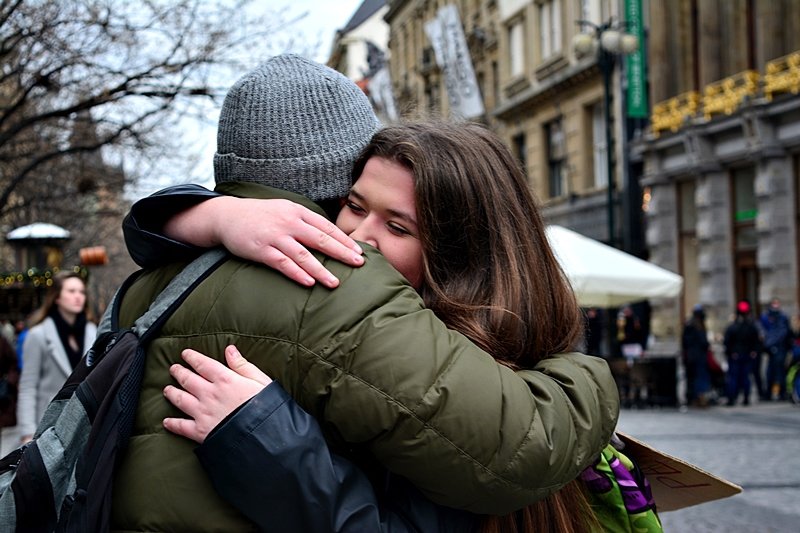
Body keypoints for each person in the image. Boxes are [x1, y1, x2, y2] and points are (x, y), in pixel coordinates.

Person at [111, 56, 619, 532]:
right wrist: (586, 374)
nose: (357, 239)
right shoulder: (336, 283)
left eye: (398, 226)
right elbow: (524, 447)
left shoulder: (152, 280)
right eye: (354, 205)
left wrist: (203, 215)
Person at [16, 272, 96, 442]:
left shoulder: (94, 333)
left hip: (85, 425)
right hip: (49, 426)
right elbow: (28, 386)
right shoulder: (38, 335)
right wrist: (27, 433)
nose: (78, 297)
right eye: (71, 291)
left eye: (82, 292)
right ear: (56, 297)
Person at [723, 300, 761, 406]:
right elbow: (756, 342)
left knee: (735, 377)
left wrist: (730, 352)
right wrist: (753, 352)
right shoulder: (751, 327)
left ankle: (733, 398)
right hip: (745, 355)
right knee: (744, 377)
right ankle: (745, 397)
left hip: (737, 355)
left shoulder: (733, 327)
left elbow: (727, 342)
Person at [759, 298, 791, 400]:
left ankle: (781, 392)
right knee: (770, 372)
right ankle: (770, 393)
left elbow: (783, 332)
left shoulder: (782, 317)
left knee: (779, 372)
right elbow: (762, 330)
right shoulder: (765, 317)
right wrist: (768, 344)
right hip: (771, 349)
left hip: (780, 349)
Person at [682, 304, 711, 406]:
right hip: (699, 356)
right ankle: (699, 398)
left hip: (690, 356)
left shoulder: (689, 324)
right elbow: (703, 342)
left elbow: (685, 342)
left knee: (691, 378)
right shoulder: (698, 326)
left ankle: (692, 398)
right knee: (700, 377)